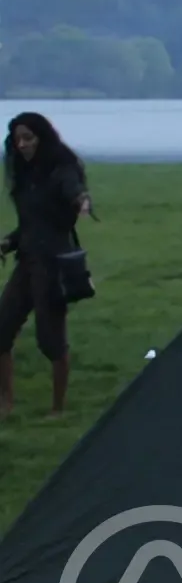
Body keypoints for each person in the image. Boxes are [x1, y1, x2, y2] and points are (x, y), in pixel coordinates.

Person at [2, 112, 92, 421]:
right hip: (27, 262)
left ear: (43, 137)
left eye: (29, 138)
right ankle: (6, 403)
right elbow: (30, 225)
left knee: (50, 339)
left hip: (54, 266)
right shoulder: (26, 178)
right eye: (18, 140)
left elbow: (73, 189)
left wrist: (82, 201)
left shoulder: (61, 169)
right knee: (2, 328)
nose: (23, 145)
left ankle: (58, 408)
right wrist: (8, 243)